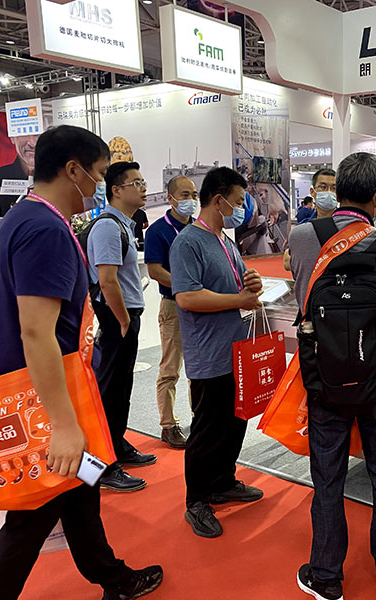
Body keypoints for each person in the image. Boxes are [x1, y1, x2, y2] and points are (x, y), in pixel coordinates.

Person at [0, 125, 162, 600]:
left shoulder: (20, 221)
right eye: (100, 173)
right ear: (74, 170)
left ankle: (113, 577)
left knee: (83, 486)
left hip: (43, 391)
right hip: (45, 401)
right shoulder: (45, 230)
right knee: (30, 519)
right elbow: (36, 332)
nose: (101, 184)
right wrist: (62, 424)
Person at [289, 152, 376, 600]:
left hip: (325, 379)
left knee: (328, 478)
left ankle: (325, 575)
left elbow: (302, 294)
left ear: (336, 191)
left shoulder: (303, 236)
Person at [170, 166, 264, 540]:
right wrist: (239, 299)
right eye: (238, 201)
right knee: (207, 430)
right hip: (208, 355)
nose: (241, 209)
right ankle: (196, 500)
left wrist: (251, 281)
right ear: (219, 199)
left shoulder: (224, 240)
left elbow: (238, 283)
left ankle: (223, 481)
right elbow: (187, 297)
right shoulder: (188, 243)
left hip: (234, 350)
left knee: (235, 422)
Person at [87, 161, 156, 493]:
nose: (143, 188)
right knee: (109, 389)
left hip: (125, 315)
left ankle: (117, 445)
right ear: (116, 190)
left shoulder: (124, 225)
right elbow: (107, 280)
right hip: (117, 316)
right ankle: (101, 465)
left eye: (143, 182)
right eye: (136, 183)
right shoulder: (107, 227)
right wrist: (124, 319)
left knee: (121, 387)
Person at [144, 175, 197, 449]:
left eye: (194, 195)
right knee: (170, 368)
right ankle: (168, 425)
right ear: (171, 198)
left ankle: (199, 417)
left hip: (200, 305)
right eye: (185, 195)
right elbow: (155, 271)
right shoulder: (157, 231)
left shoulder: (198, 228)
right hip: (174, 305)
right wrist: (185, 285)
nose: (191, 200)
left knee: (199, 367)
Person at [284, 169, 337, 272]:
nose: (329, 192)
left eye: (333, 188)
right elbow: (287, 262)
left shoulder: (346, 225)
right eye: (323, 187)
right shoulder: (302, 228)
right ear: (312, 192)